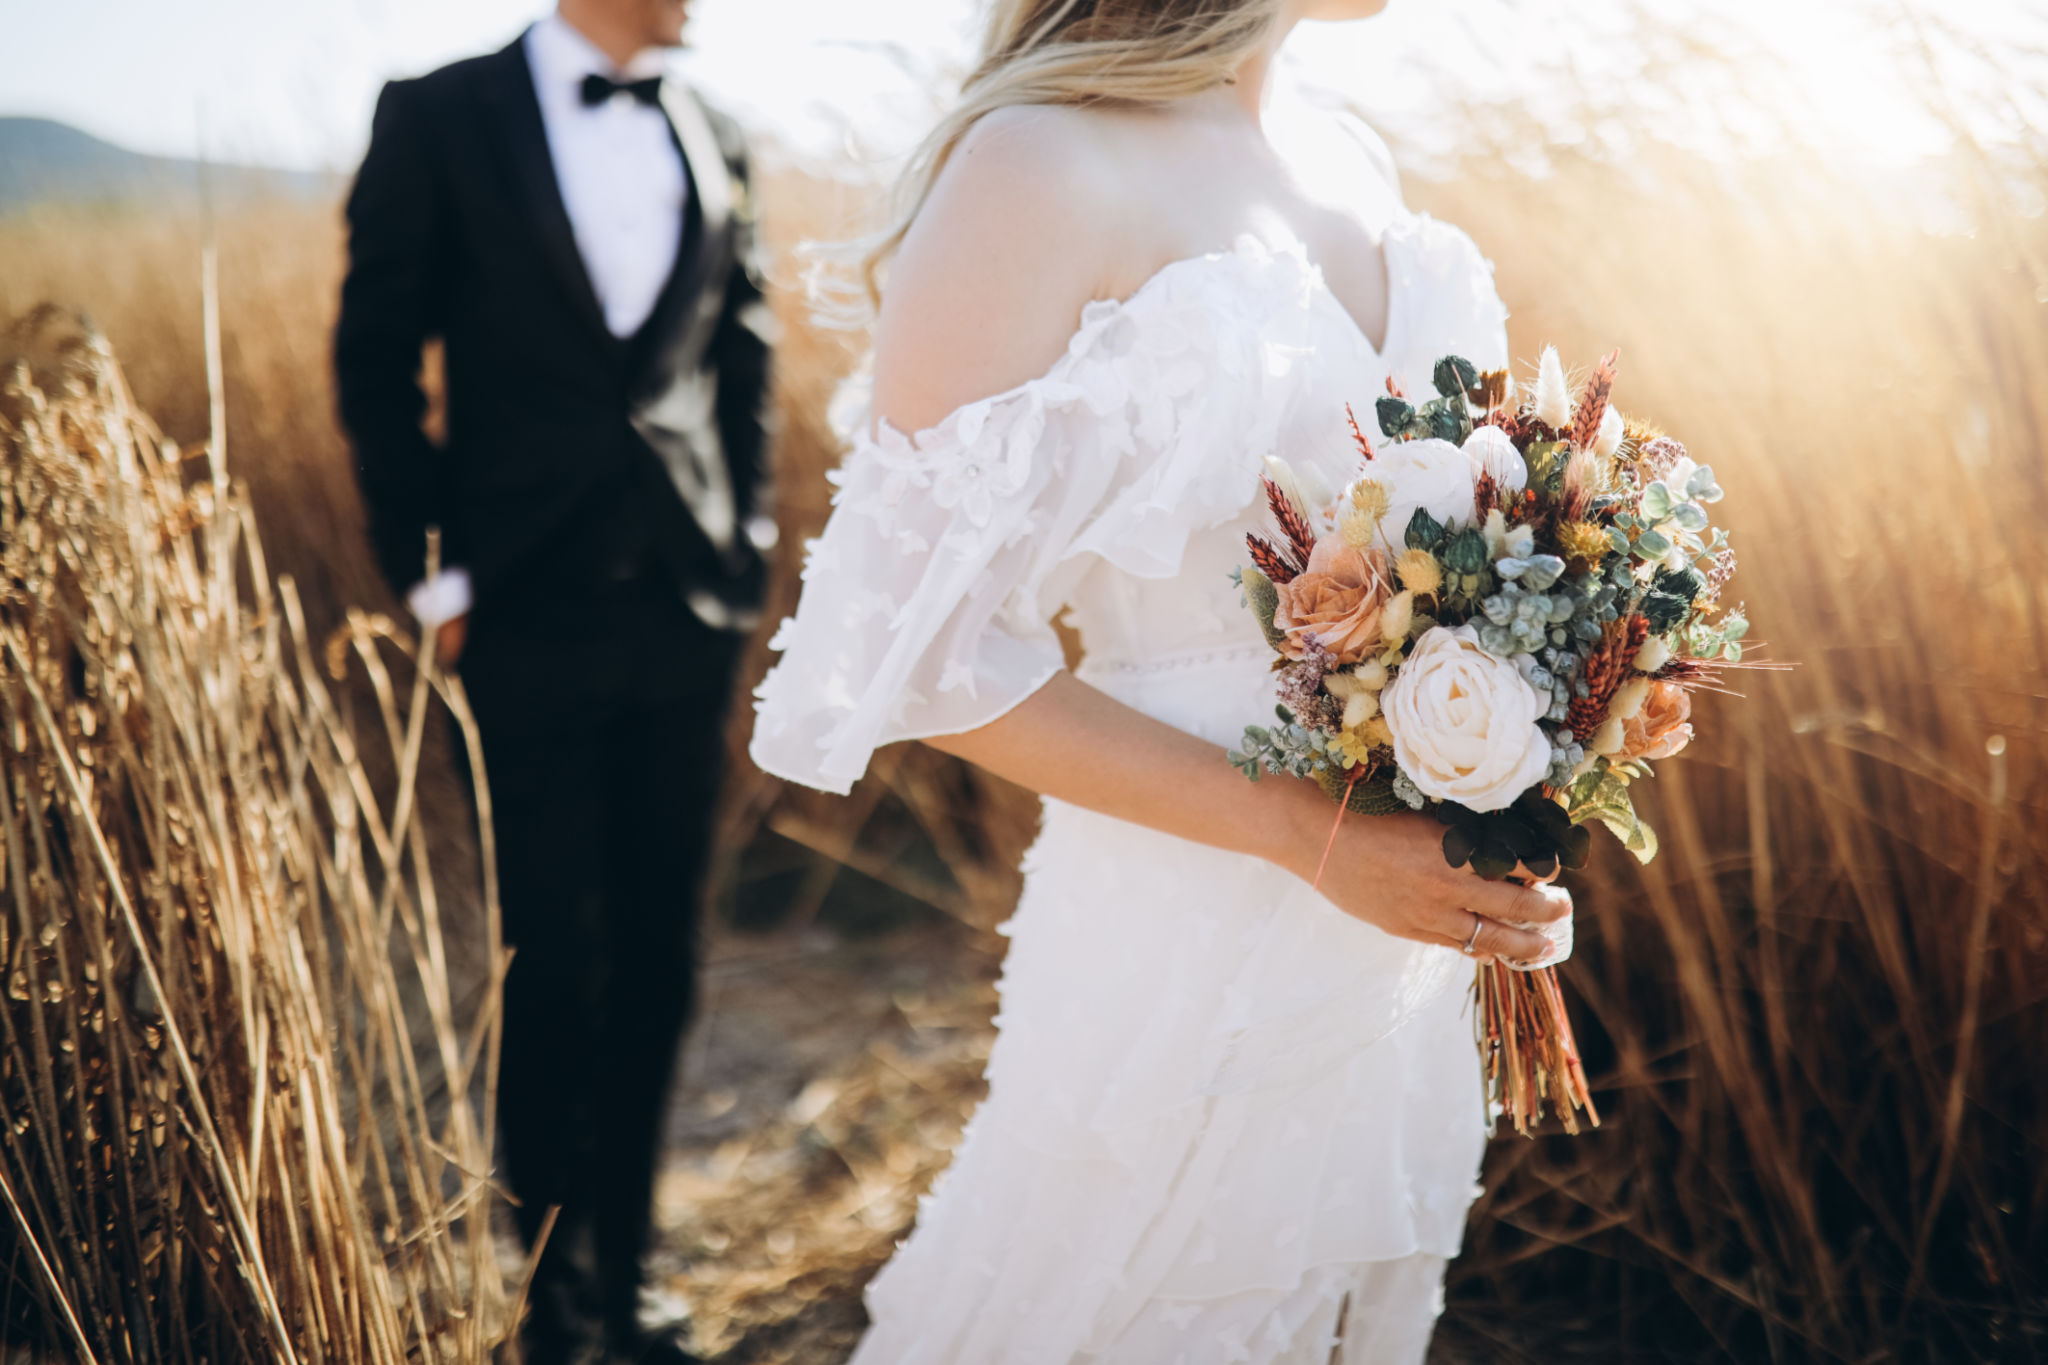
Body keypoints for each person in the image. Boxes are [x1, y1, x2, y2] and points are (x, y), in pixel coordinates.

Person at [749, 1, 1576, 1360]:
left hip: (1390, 934)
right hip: (1185, 913)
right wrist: (1305, 836)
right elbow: (930, 653)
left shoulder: (1350, 155)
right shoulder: (1038, 161)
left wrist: (1519, 789)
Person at [334, 0, 774, 1358]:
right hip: (517, 608)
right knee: (553, 952)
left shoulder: (718, 130)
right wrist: (436, 579)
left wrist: (748, 542)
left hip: (684, 608)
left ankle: (630, 1272)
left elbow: (740, 353)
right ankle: (553, 1294)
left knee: (658, 951)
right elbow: (372, 353)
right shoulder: (439, 112)